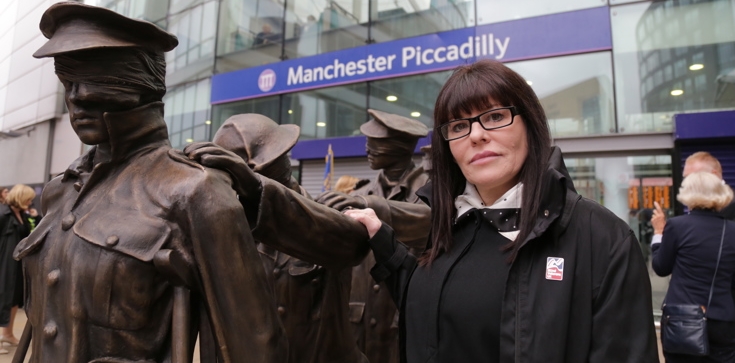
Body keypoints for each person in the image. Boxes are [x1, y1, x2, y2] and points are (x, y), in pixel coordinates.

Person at [14, 1, 289, 363]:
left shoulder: (192, 191)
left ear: (140, 88)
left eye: (96, 81)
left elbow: (252, 341)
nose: (76, 98)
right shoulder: (59, 191)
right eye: (68, 82)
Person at [343, 59, 659, 362]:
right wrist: (384, 244)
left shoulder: (602, 239)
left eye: (494, 117)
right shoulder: (446, 221)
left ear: (530, 124)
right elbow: (436, 310)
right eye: (459, 125)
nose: (476, 135)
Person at [204, 113, 369, 363]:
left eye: (282, 156)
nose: (284, 163)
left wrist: (259, 191)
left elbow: (352, 246)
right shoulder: (227, 229)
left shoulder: (327, 217)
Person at [317, 109, 431, 363]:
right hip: (357, 320)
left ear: (400, 147)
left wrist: (367, 205)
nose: (367, 148)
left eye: (376, 143)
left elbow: (427, 221)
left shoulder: (428, 192)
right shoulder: (362, 191)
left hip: (401, 319)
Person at [652, 172, 735, 362]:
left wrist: (658, 233)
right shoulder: (732, 230)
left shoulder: (676, 226)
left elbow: (661, 267)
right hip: (723, 321)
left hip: (683, 321)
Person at [653, 152, 735, 229]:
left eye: (693, 177)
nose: (687, 183)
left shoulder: (731, 206)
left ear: (714, 175)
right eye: (685, 178)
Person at [0, 185, 34, 354]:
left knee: (14, 300)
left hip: (17, 263)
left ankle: (7, 333)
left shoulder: (21, 214)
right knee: (2, 298)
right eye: (28, 198)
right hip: (4, 264)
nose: (31, 201)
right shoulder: (3, 214)